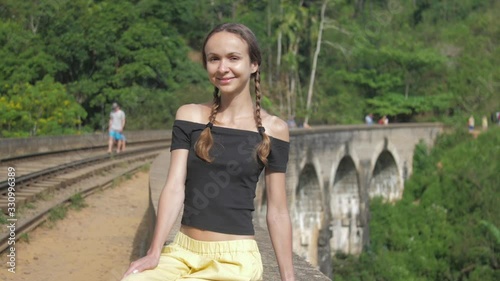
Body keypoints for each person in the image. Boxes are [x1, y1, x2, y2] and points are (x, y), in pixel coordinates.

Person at [121, 23, 295, 281]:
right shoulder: (189, 116)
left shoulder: (273, 130)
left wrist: (288, 277)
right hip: (182, 252)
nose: (222, 68)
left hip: (234, 260)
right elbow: (174, 186)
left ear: (253, 64)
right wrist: (154, 251)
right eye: (214, 59)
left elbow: (278, 211)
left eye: (233, 58)